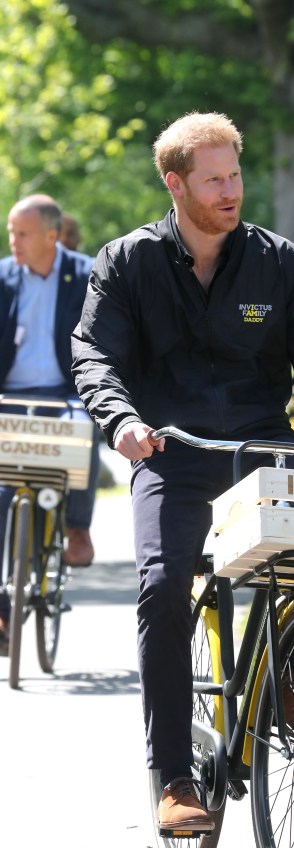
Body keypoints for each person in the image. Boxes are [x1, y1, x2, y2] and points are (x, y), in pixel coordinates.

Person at [70, 111, 294, 833]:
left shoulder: (277, 262)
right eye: (213, 178)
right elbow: (95, 355)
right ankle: (176, 776)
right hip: (170, 452)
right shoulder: (127, 262)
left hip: (262, 447)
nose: (229, 189)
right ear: (175, 182)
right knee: (160, 588)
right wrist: (122, 420)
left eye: (235, 174)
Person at [0, 194, 98, 654]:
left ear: (51, 235)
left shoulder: (86, 274)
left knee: (84, 427)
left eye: (21, 234)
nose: (12, 242)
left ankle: (77, 527)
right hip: (9, 394)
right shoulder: (3, 276)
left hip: (65, 392)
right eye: (10, 233)